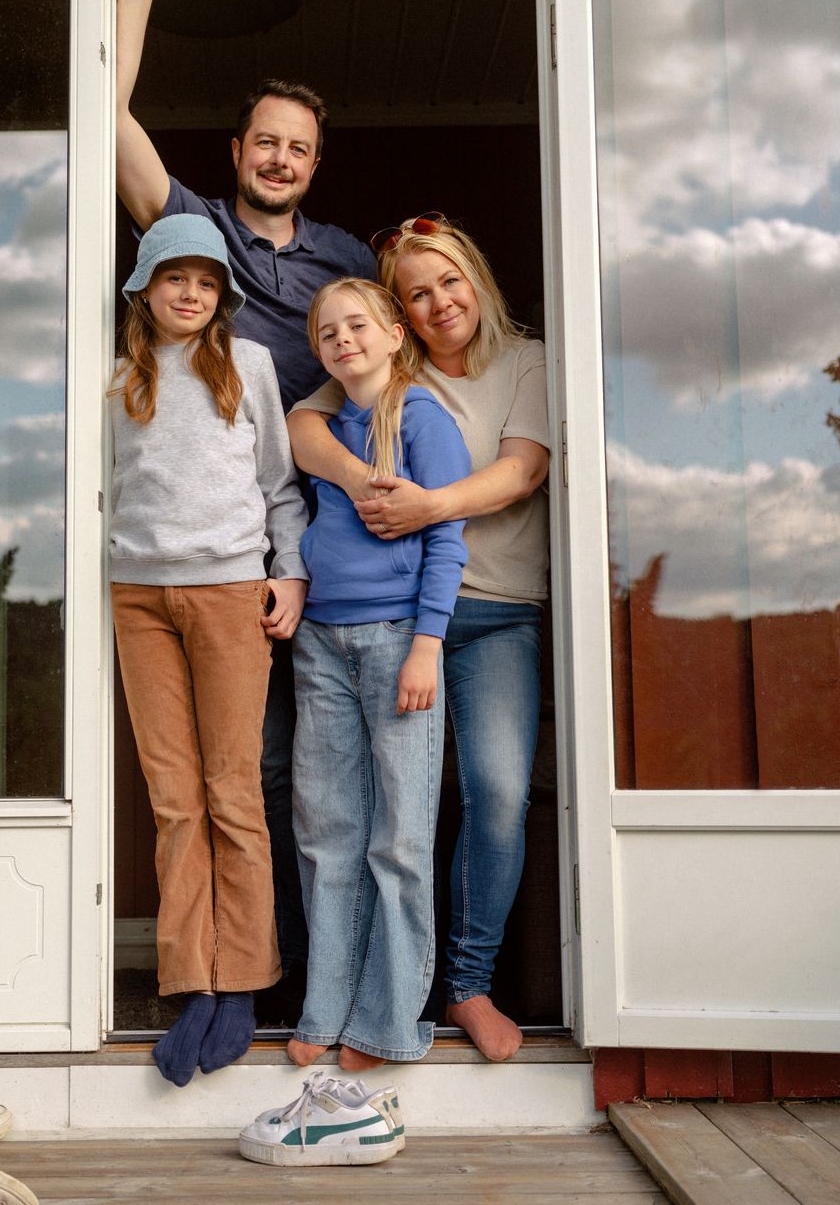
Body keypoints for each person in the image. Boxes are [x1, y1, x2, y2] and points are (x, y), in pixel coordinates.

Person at [116, 0, 377, 992]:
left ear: (316, 164)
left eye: (298, 149)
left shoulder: (348, 263)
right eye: (265, 142)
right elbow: (105, 111)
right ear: (236, 150)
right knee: (247, 772)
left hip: (343, 536)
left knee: (334, 776)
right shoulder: (194, 233)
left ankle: (330, 974)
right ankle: (244, 980)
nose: (279, 159)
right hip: (225, 554)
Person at [287, 216, 551, 1062]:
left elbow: (524, 471)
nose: (440, 303)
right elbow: (301, 429)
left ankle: (465, 985)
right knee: (359, 816)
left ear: (476, 278)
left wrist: (424, 506)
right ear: (400, 316)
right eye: (417, 292)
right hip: (385, 618)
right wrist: (369, 484)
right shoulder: (376, 373)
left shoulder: (527, 363)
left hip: (492, 607)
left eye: (450, 282)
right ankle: (352, 1001)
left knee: (496, 793)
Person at [108, 214, 310, 1087]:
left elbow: (279, 487)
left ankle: (244, 982)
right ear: (144, 290)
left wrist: (289, 573)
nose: (188, 293)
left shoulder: (249, 368)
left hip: (231, 590)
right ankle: (194, 979)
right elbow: (101, 491)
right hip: (137, 596)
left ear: (221, 294)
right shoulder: (116, 380)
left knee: (233, 787)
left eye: (203, 280)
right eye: (172, 278)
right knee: (173, 796)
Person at [284, 277, 469, 1075]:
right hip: (321, 642)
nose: (343, 340)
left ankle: (387, 1023)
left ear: (397, 335)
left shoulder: (421, 418)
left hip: (397, 641)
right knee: (327, 830)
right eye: (328, 333)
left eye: (358, 325)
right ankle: (325, 1007)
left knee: (398, 838)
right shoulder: (326, 426)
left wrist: (428, 644)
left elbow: (447, 539)